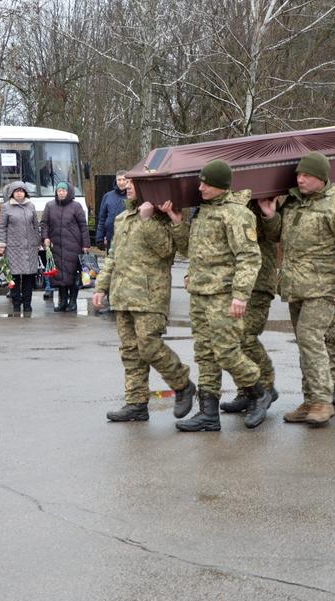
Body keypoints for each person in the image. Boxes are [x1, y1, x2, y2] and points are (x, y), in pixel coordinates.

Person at [259, 152, 335, 426]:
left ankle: (322, 401)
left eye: (306, 175)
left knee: (310, 337)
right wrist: (270, 216)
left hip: (324, 287)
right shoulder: (295, 202)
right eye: (298, 175)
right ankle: (310, 400)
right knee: (305, 343)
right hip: (297, 286)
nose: (300, 179)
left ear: (321, 177)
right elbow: (277, 235)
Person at [165, 160, 267, 431]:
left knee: (226, 352)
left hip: (224, 295)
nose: (200, 187)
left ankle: (259, 392)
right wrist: (177, 223)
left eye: (205, 183)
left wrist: (241, 295)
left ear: (221, 185)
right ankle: (208, 413)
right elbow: (191, 250)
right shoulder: (202, 211)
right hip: (200, 294)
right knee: (205, 354)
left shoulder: (237, 214)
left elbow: (249, 257)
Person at [95, 181, 196, 423]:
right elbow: (114, 257)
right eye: (127, 182)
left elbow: (167, 251)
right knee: (130, 352)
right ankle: (136, 403)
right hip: (122, 295)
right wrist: (101, 286)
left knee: (149, 346)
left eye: (133, 183)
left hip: (150, 295)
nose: (127, 186)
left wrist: (148, 220)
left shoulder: (162, 218)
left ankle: (183, 385)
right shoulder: (122, 218)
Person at [219, 200, 280, 413]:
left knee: (246, 336)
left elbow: (278, 234)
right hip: (232, 282)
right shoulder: (228, 200)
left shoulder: (264, 197)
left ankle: (266, 385)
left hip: (259, 281)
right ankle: (246, 390)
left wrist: (269, 214)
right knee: (235, 338)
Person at [42, 181, 90, 312]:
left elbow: (83, 226)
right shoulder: (50, 206)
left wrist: (86, 244)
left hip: (74, 246)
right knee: (59, 276)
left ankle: (73, 301)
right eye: (59, 190)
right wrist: (45, 237)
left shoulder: (76, 206)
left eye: (63, 190)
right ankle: (62, 301)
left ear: (68, 192)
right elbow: (44, 224)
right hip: (56, 246)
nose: (61, 192)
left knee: (73, 275)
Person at [0, 181, 42, 313]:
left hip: (29, 247)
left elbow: (36, 226)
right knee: (14, 277)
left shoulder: (31, 206)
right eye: (16, 191)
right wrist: (1, 244)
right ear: (12, 193)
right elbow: (2, 227)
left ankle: (27, 303)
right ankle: (16, 303)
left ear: (25, 193)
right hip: (13, 247)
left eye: (21, 191)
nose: (19, 193)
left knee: (29, 277)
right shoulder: (6, 207)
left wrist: (38, 242)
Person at [95, 171, 129, 253]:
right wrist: (99, 238)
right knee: (111, 264)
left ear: (128, 180)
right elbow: (102, 218)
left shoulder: (133, 196)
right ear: (116, 181)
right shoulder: (108, 196)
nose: (121, 182)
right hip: (112, 238)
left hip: (128, 238)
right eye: (119, 180)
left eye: (124, 179)